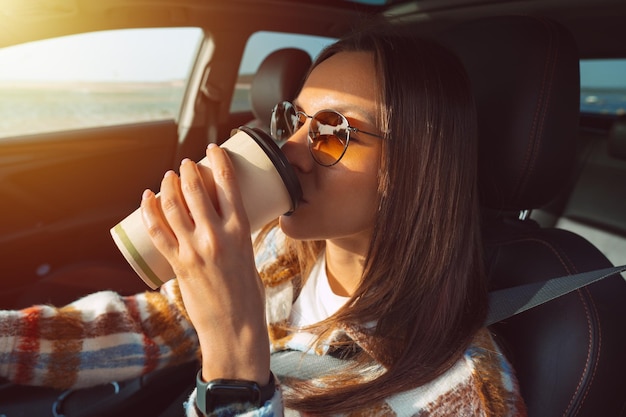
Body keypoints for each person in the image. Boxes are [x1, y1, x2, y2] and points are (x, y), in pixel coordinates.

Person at [0, 25, 527, 416]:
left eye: (334, 131)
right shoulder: (276, 247)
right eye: (295, 120)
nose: (291, 150)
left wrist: (234, 369)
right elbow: (148, 326)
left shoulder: (459, 393)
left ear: (419, 165)